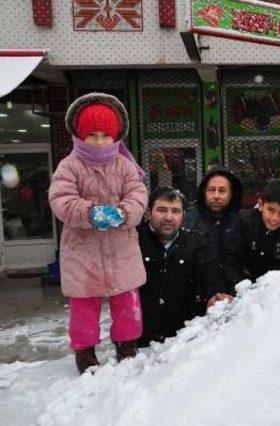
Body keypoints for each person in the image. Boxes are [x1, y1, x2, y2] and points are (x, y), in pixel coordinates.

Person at [48, 92, 148, 374]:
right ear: (80, 136)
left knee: (127, 303)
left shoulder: (125, 165)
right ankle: (85, 353)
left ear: (116, 136)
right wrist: (90, 213)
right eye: (92, 134)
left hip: (121, 250)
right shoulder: (70, 166)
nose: (100, 141)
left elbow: (138, 195)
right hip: (83, 252)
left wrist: (125, 212)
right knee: (83, 308)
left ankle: (127, 346)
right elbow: (61, 199)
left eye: (106, 134)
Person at [137, 188, 221, 347]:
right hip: (138, 341)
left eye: (176, 211)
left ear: (184, 214)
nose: (169, 217)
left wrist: (213, 296)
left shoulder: (197, 242)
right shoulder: (134, 240)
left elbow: (211, 277)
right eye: (161, 210)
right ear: (149, 211)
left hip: (181, 342)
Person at [184, 167, 243, 307]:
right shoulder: (187, 221)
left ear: (231, 194)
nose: (216, 195)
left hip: (235, 302)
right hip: (195, 304)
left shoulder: (242, 222)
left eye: (222, 191)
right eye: (211, 190)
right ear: (204, 192)